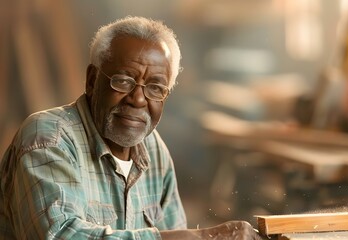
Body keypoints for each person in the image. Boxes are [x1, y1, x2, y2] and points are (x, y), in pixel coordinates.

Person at [0, 16, 263, 239]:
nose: (138, 99)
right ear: (92, 81)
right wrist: (201, 236)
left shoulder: (153, 149)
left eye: (155, 88)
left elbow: (173, 230)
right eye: (124, 81)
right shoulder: (48, 137)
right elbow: (61, 235)